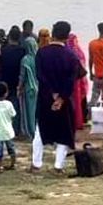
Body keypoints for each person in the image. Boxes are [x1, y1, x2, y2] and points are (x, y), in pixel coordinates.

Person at [31, 21, 76, 174]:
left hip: (45, 98)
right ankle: (58, 166)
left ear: (53, 34)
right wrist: (61, 97)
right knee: (64, 131)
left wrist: (52, 93)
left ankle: (36, 164)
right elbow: (71, 80)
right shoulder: (71, 55)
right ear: (67, 36)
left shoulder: (41, 53)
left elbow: (40, 76)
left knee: (40, 129)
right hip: (64, 100)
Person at [0, 28, 25, 136]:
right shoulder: (22, 51)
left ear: (9, 37)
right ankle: (15, 131)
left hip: (1, 83)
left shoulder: (3, 49)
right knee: (15, 109)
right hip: (15, 82)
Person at [67, 33, 90, 130]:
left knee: (71, 102)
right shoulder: (79, 51)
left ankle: (72, 121)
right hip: (80, 80)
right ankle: (80, 121)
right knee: (79, 102)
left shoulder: (68, 52)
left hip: (71, 80)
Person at [18, 37, 38, 139]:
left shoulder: (25, 60)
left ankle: (31, 133)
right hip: (39, 88)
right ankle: (39, 132)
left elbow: (22, 76)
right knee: (38, 112)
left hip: (29, 89)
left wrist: (19, 88)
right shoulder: (39, 57)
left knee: (29, 112)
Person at [88, 22, 103, 108]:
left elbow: (91, 59)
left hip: (97, 75)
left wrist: (91, 73)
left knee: (94, 97)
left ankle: (90, 116)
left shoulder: (92, 43)